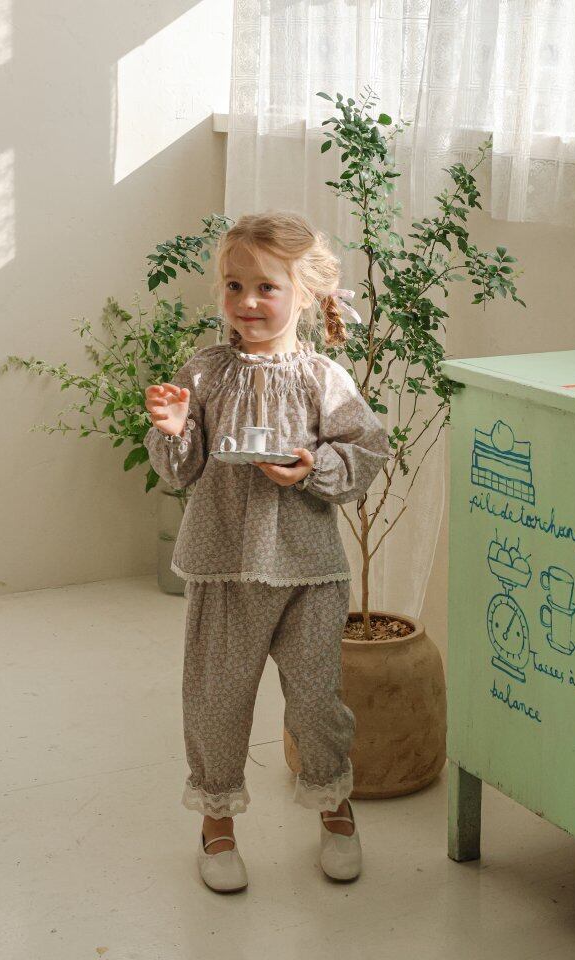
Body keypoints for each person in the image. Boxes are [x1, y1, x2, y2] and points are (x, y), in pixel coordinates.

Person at [143, 211, 392, 892]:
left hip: (309, 570)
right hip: (225, 566)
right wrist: (172, 428)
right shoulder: (204, 373)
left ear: (304, 295)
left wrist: (312, 467)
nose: (247, 301)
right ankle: (216, 823)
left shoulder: (323, 377)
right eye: (234, 285)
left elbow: (367, 450)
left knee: (316, 702)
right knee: (216, 702)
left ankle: (334, 807)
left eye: (266, 287)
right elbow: (182, 471)